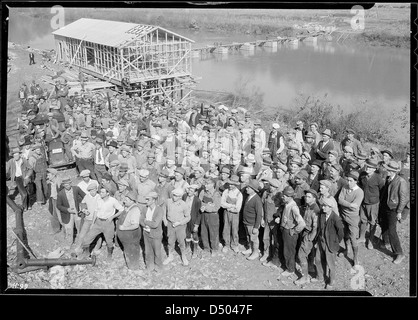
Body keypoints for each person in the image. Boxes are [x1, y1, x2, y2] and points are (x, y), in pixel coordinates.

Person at [80, 187, 124, 261]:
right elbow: (96, 211)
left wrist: (112, 217)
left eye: (103, 192)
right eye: (100, 192)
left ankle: (109, 255)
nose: (101, 193)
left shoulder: (113, 200)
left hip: (108, 223)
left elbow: (121, 209)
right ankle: (86, 254)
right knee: (86, 239)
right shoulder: (99, 200)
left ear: (107, 193)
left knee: (109, 241)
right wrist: (93, 223)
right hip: (98, 222)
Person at [379, 161, 409, 264]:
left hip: (394, 209)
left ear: (393, 171)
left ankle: (399, 253)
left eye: (388, 169)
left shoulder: (401, 182)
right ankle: (386, 242)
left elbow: (403, 199)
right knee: (383, 224)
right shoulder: (389, 179)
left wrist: (399, 211)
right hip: (385, 206)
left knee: (392, 230)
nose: (386, 170)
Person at [313, 196, 344, 289]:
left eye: (325, 206)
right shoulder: (322, 214)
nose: (323, 208)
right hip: (320, 241)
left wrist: (335, 242)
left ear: (331, 207)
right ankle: (320, 277)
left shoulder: (336, 218)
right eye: (322, 206)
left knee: (330, 263)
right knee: (318, 260)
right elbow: (319, 228)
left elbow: (340, 233)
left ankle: (331, 281)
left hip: (330, 243)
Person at [276, 186, 306, 279]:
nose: (283, 197)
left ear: (290, 196)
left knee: (289, 252)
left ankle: (290, 269)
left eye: (285, 195)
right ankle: (287, 265)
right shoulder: (287, 204)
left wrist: (294, 231)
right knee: (285, 250)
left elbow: (302, 224)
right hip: (285, 230)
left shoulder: (293, 207)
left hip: (290, 232)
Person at [337, 171, 364, 266]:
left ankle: (355, 258)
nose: (348, 183)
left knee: (353, 237)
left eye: (351, 181)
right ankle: (347, 249)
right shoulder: (345, 187)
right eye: (347, 180)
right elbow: (340, 200)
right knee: (345, 234)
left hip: (353, 217)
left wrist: (346, 204)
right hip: (342, 214)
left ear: (356, 181)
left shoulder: (359, 192)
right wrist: (349, 204)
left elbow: (355, 206)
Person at [358, 159, 384, 250]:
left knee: (372, 222)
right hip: (363, 202)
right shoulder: (362, 175)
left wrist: (378, 202)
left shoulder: (378, 178)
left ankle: (370, 240)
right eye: (367, 166)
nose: (368, 168)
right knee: (363, 220)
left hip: (373, 203)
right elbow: (360, 186)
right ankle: (362, 237)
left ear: (374, 169)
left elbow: (382, 190)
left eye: (370, 167)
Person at [295, 189, 319, 285]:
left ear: (314, 198)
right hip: (305, 232)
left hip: (309, 234)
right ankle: (310, 268)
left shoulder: (315, 210)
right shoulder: (308, 206)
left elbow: (315, 228)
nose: (306, 198)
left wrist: (309, 238)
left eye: (309, 197)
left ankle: (304, 277)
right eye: (306, 196)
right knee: (308, 254)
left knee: (301, 255)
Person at [163, 188, 191, 266]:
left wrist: (180, 223)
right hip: (170, 224)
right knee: (170, 241)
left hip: (180, 226)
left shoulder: (184, 205)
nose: (174, 197)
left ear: (180, 197)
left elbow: (188, 217)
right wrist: (165, 220)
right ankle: (170, 256)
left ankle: (183, 256)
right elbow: (164, 210)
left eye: (176, 196)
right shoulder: (168, 201)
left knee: (181, 241)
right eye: (173, 195)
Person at [117, 190, 142, 270]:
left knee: (132, 251)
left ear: (132, 201)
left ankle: (133, 267)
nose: (124, 201)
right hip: (126, 236)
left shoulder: (135, 210)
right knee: (128, 250)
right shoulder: (128, 208)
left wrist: (124, 228)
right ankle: (131, 265)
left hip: (131, 235)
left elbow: (135, 225)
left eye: (126, 200)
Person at [56, 178, 86, 246]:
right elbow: (58, 206)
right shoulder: (60, 194)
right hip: (67, 214)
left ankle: (81, 242)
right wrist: (67, 209)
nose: (67, 186)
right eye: (65, 185)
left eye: (69, 184)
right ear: (63, 185)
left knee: (80, 226)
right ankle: (69, 243)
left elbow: (85, 197)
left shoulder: (76, 189)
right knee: (69, 229)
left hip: (77, 211)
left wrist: (82, 206)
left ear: (71, 183)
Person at [140, 191, 165, 272]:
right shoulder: (145, 209)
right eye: (146, 199)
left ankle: (159, 267)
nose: (146, 201)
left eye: (148, 199)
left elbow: (155, 224)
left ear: (153, 200)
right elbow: (140, 220)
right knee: (147, 251)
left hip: (156, 234)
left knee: (157, 252)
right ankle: (149, 266)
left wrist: (146, 222)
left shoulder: (159, 210)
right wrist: (145, 224)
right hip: (146, 233)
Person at [260, 178, 282, 266]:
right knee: (265, 238)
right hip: (266, 219)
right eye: (271, 185)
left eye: (274, 186)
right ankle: (266, 254)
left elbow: (282, 209)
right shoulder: (265, 193)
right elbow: (262, 206)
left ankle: (275, 257)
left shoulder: (279, 195)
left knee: (275, 240)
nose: (271, 188)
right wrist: (262, 218)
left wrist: (278, 218)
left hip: (275, 222)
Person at [199, 178, 222, 256]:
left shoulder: (216, 194)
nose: (205, 186)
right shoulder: (203, 192)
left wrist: (205, 207)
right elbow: (200, 202)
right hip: (204, 215)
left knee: (213, 232)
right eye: (205, 184)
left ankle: (214, 249)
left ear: (212, 185)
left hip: (213, 216)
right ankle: (206, 248)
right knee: (204, 231)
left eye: (207, 184)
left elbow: (216, 207)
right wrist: (205, 205)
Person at [75, 183, 101, 254]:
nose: (92, 192)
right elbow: (83, 204)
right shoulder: (87, 196)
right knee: (82, 235)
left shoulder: (99, 197)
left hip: (97, 220)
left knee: (97, 235)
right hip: (88, 219)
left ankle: (96, 249)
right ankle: (79, 247)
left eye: (94, 190)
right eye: (90, 191)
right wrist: (84, 210)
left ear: (96, 190)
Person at [241, 179, 263, 260]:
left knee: (254, 239)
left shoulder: (257, 200)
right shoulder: (249, 196)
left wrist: (256, 227)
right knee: (248, 236)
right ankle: (250, 249)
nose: (246, 189)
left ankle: (255, 252)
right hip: (246, 222)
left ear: (253, 190)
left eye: (248, 188)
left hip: (252, 223)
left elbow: (259, 215)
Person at [220, 175, 243, 254]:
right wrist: (231, 206)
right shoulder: (226, 192)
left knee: (234, 229)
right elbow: (222, 204)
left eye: (232, 184)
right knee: (226, 228)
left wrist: (228, 206)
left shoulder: (239, 194)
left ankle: (234, 245)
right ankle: (226, 244)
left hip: (235, 215)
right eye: (229, 184)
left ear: (236, 185)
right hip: (226, 213)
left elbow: (237, 209)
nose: (230, 185)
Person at [6, 147, 32, 211]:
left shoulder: (24, 160)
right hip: (18, 178)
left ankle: (29, 205)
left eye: (17, 154)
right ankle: (24, 206)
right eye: (14, 155)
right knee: (23, 193)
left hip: (25, 177)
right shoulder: (11, 162)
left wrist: (28, 175)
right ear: (13, 155)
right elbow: (6, 169)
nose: (16, 156)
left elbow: (30, 169)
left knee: (27, 193)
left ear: (19, 154)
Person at [183, 184, 202, 258]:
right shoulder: (184, 196)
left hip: (193, 220)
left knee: (194, 234)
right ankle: (187, 247)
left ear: (195, 192)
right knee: (187, 233)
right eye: (188, 190)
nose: (189, 192)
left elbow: (199, 214)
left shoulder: (197, 200)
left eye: (191, 191)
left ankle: (195, 250)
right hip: (185, 218)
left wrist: (196, 225)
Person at [45, 168, 62, 235]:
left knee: (60, 214)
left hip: (59, 201)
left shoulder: (60, 183)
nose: (47, 177)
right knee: (52, 214)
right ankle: (56, 229)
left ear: (53, 175)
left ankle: (65, 229)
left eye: (48, 175)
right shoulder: (49, 183)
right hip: (52, 200)